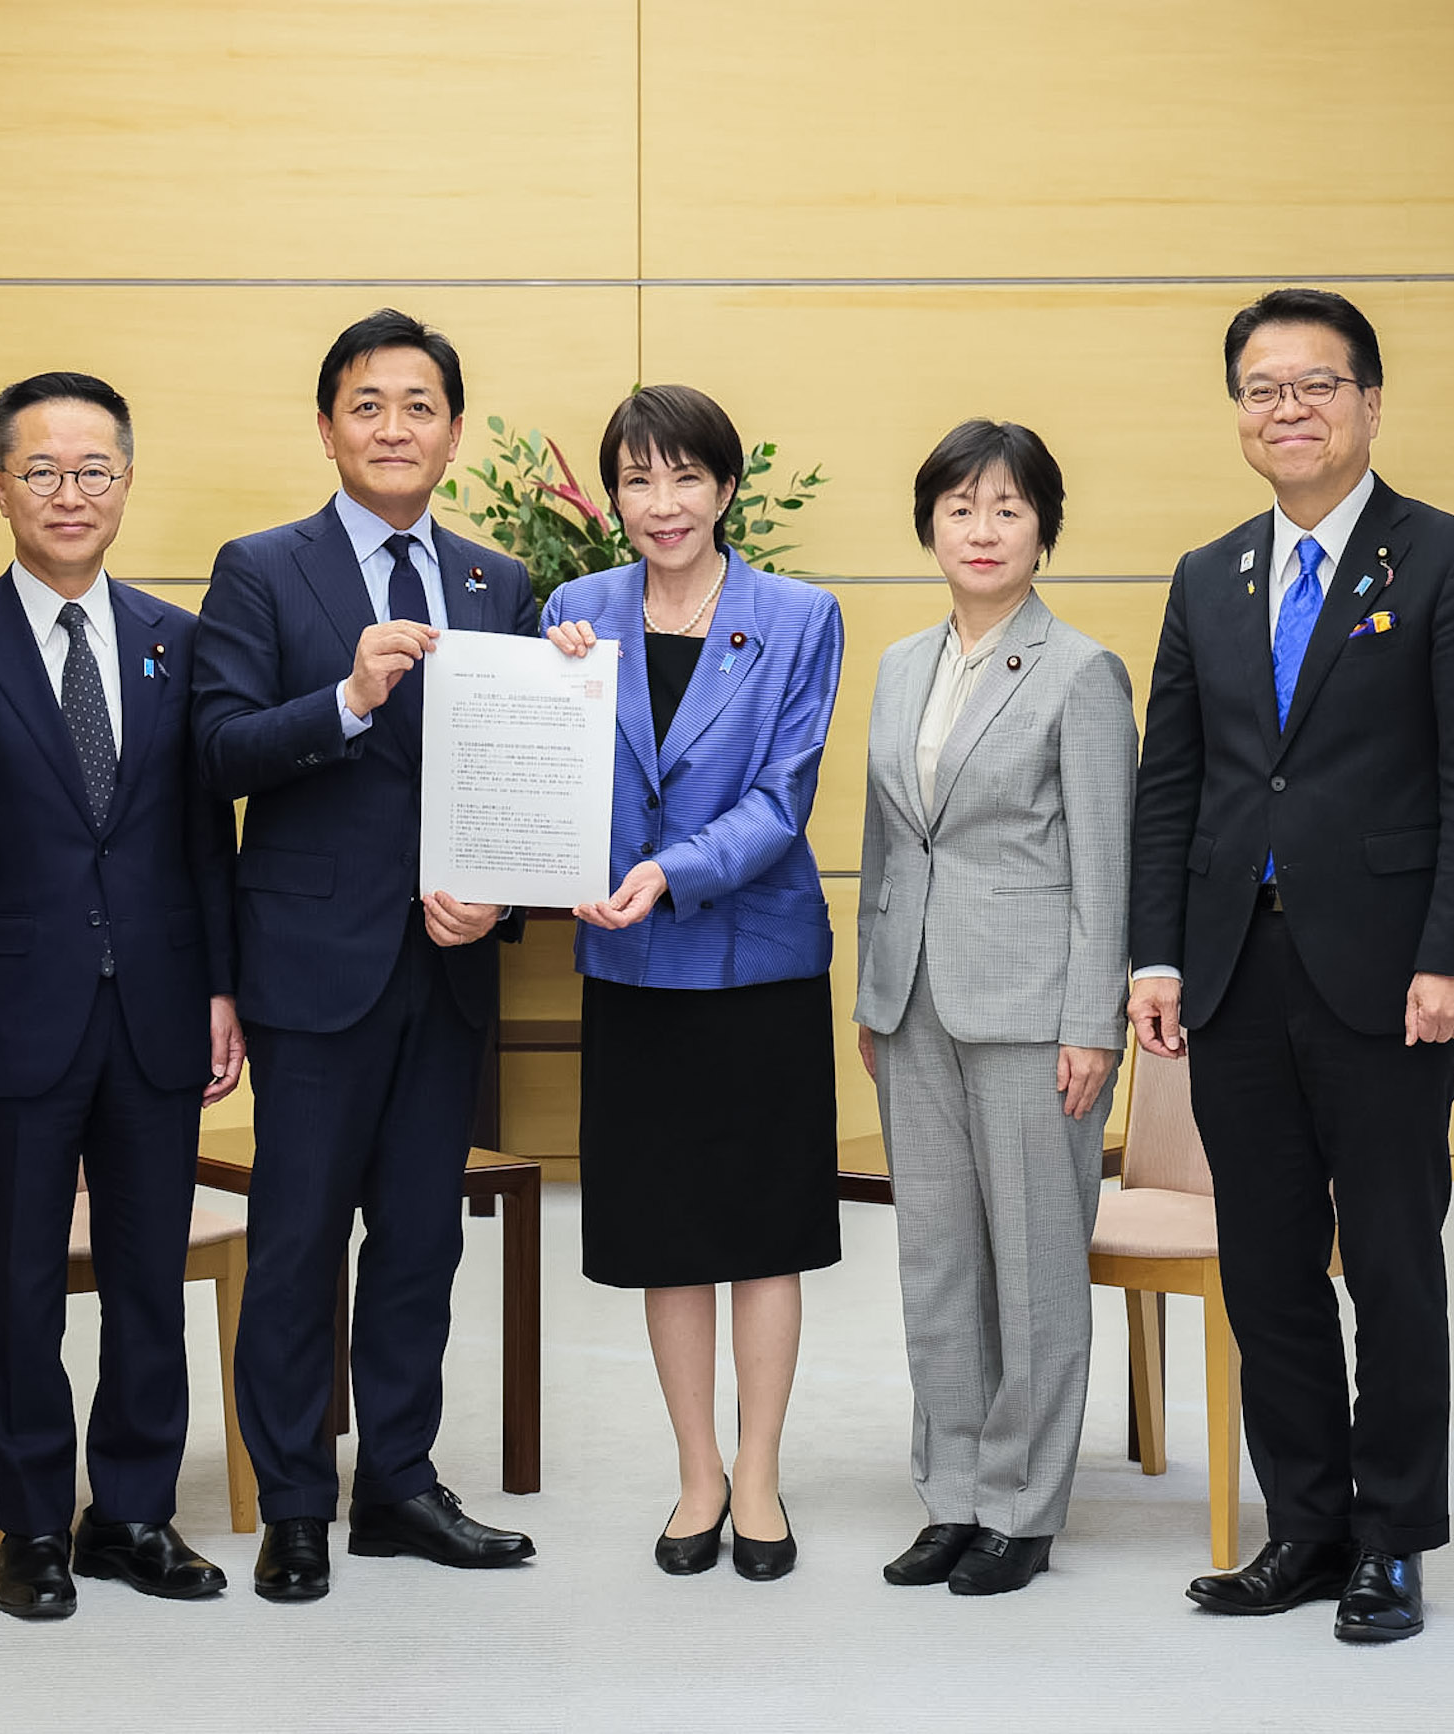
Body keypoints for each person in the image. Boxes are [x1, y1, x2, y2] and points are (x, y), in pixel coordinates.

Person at [1128, 288, 1454, 1643]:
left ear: (1369, 401)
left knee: (1394, 1261)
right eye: (1260, 387)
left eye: (1314, 384)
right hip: (1235, 973)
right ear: (1239, 413)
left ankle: (1394, 1535)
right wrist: (1156, 958)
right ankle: (1303, 1522)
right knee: (1268, 1261)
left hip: (1389, 980)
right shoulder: (1207, 576)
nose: (1286, 408)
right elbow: (1170, 786)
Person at [191, 309, 539, 1602]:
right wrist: (345, 700)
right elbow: (218, 750)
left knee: (417, 1240)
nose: (395, 427)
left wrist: (495, 901)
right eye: (368, 404)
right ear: (330, 424)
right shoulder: (262, 570)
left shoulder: (502, 584)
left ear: (452, 426)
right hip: (310, 963)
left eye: (420, 405)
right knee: (295, 1238)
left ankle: (396, 1478)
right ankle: (294, 1497)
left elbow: (518, 784)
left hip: (446, 970)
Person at [0, 372, 244, 1620]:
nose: (68, 492)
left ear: (126, 483)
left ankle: (135, 1513)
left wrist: (221, 983)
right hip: (10, 1007)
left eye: (92, 469)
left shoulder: (177, 638)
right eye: (41, 471)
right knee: (16, 1284)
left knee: (150, 1273)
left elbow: (207, 832)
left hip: (158, 1003)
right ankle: (33, 1526)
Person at [542, 384, 844, 1582]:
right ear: (612, 494)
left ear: (725, 488)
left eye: (684, 478)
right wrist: (550, 695)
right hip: (629, 962)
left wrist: (667, 870)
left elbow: (781, 800)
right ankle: (696, 1477)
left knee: (761, 1234)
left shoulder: (796, 615)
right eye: (635, 480)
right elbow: (542, 773)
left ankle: (760, 1477)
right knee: (665, 1236)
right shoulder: (574, 609)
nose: (660, 504)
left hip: (754, 961)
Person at [852, 419, 1135, 1597]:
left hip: (1031, 1012)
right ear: (928, 524)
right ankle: (951, 1495)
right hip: (910, 1001)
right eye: (960, 508)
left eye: (1008, 509)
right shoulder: (900, 663)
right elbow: (883, 841)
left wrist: (1091, 1022)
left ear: (1042, 532)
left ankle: (1022, 1507)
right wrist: (870, 993)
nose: (982, 529)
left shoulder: (1078, 671)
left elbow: (1106, 868)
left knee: (1031, 1268)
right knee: (936, 1266)